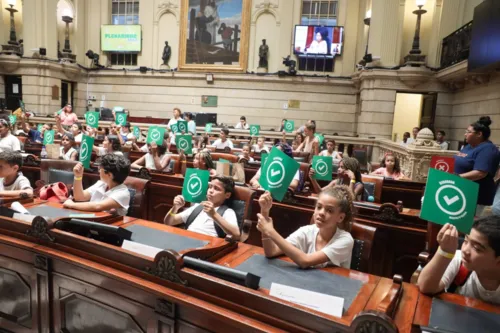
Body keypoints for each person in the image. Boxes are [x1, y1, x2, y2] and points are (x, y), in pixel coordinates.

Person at [256, 186, 354, 268]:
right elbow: (271, 252)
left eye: (329, 211)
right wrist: (265, 211)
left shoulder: (346, 240)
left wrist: (270, 231)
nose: (321, 213)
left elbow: (305, 261)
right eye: (319, 207)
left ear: (340, 217)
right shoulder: (306, 231)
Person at [417, 218, 500, 305]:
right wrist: (444, 251)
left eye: (476, 248)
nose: (465, 250)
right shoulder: (459, 260)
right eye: (465, 241)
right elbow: (425, 287)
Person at [163, 176, 240, 239]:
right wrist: (175, 208)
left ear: (227, 195)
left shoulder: (228, 212)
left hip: (207, 247)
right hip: (185, 240)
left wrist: (214, 215)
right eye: (210, 187)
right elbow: (169, 222)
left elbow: (236, 234)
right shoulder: (198, 207)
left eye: (216, 189)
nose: (210, 191)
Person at [455, 116, 499, 216]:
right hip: (462, 192)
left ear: (479, 134)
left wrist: (457, 177)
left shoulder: (488, 149)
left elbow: (480, 173)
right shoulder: (468, 147)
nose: (465, 134)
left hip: (477, 196)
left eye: (468, 132)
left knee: (470, 225)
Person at [63, 154, 131, 216]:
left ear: (109, 174)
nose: (98, 171)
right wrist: (78, 176)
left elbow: (98, 206)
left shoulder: (123, 193)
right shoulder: (101, 184)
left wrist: (72, 205)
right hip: (90, 221)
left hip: (106, 227)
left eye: (100, 169)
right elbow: (79, 197)